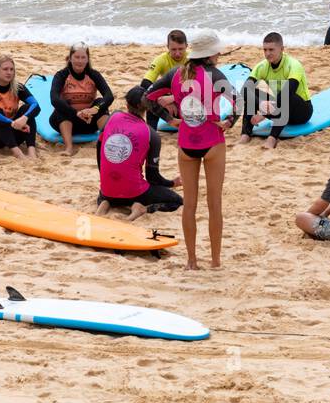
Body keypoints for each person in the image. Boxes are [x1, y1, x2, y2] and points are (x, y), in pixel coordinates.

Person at [148, 30, 234, 269]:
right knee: (214, 203)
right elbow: (238, 101)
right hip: (213, 142)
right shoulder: (215, 75)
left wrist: (169, 118)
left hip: (186, 144)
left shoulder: (176, 73)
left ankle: (191, 261)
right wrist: (228, 123)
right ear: (211, 53)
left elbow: (147, 97)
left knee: (190, 204)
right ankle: (215, 261)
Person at [96, 87, 182, 220]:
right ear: (147, 107)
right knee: (176, 201)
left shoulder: (114, 116)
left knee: (109, 192)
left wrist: (104, 175)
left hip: (107, 189)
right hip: (134, 192)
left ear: (126, 104)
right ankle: (142, 208)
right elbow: (153, 177)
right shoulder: (151, 134)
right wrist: (172, 183)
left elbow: (99, 147)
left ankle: (105, 202)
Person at [238, 32, 314, 150]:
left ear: (282, 49)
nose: (267, 54)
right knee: (252, 92)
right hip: (277, 109)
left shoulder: (293, 65)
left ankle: (272, 138)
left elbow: (287, 92)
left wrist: (263, 114)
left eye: (271, 49)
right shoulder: (262, 66)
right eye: (265, 50)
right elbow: (244, 90)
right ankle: (246, 134)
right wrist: (261, 104)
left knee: (287, 96)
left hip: (300, 112)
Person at [49, 42, 114, 156]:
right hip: (68, 121)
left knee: (100, 103)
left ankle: (107, 144)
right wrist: (76, 113)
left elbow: (109, 96)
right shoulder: (61, 75)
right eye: (76, 57)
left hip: (89, 121)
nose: (80, 61)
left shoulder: (94, 75)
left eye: (83, 57)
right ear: (70, 58)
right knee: (61, 105)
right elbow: (54, 99)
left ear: (87, 59)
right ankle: (69, 148)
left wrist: (94, 109)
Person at [0, 54, 39, 160]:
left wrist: (24, 118)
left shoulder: (18, 88)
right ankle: (17, 153)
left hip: (14, 135)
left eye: (11, 69)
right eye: (5, 69)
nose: (9, 72)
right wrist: (12, 123)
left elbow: (36, 105)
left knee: (27, 109)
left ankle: (31, 151)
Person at [139, 30, 188, 129]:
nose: (177, 53)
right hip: (169, 104)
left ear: (186, 46)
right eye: (173, 49)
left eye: (181, 49)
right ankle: (151, 131)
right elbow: (145, 83)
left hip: (188, 99)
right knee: (149, 98)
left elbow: (203, 86)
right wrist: (161, 101)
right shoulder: (161, 60)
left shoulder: (192, 59)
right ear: (167, 47)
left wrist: (174, 98)